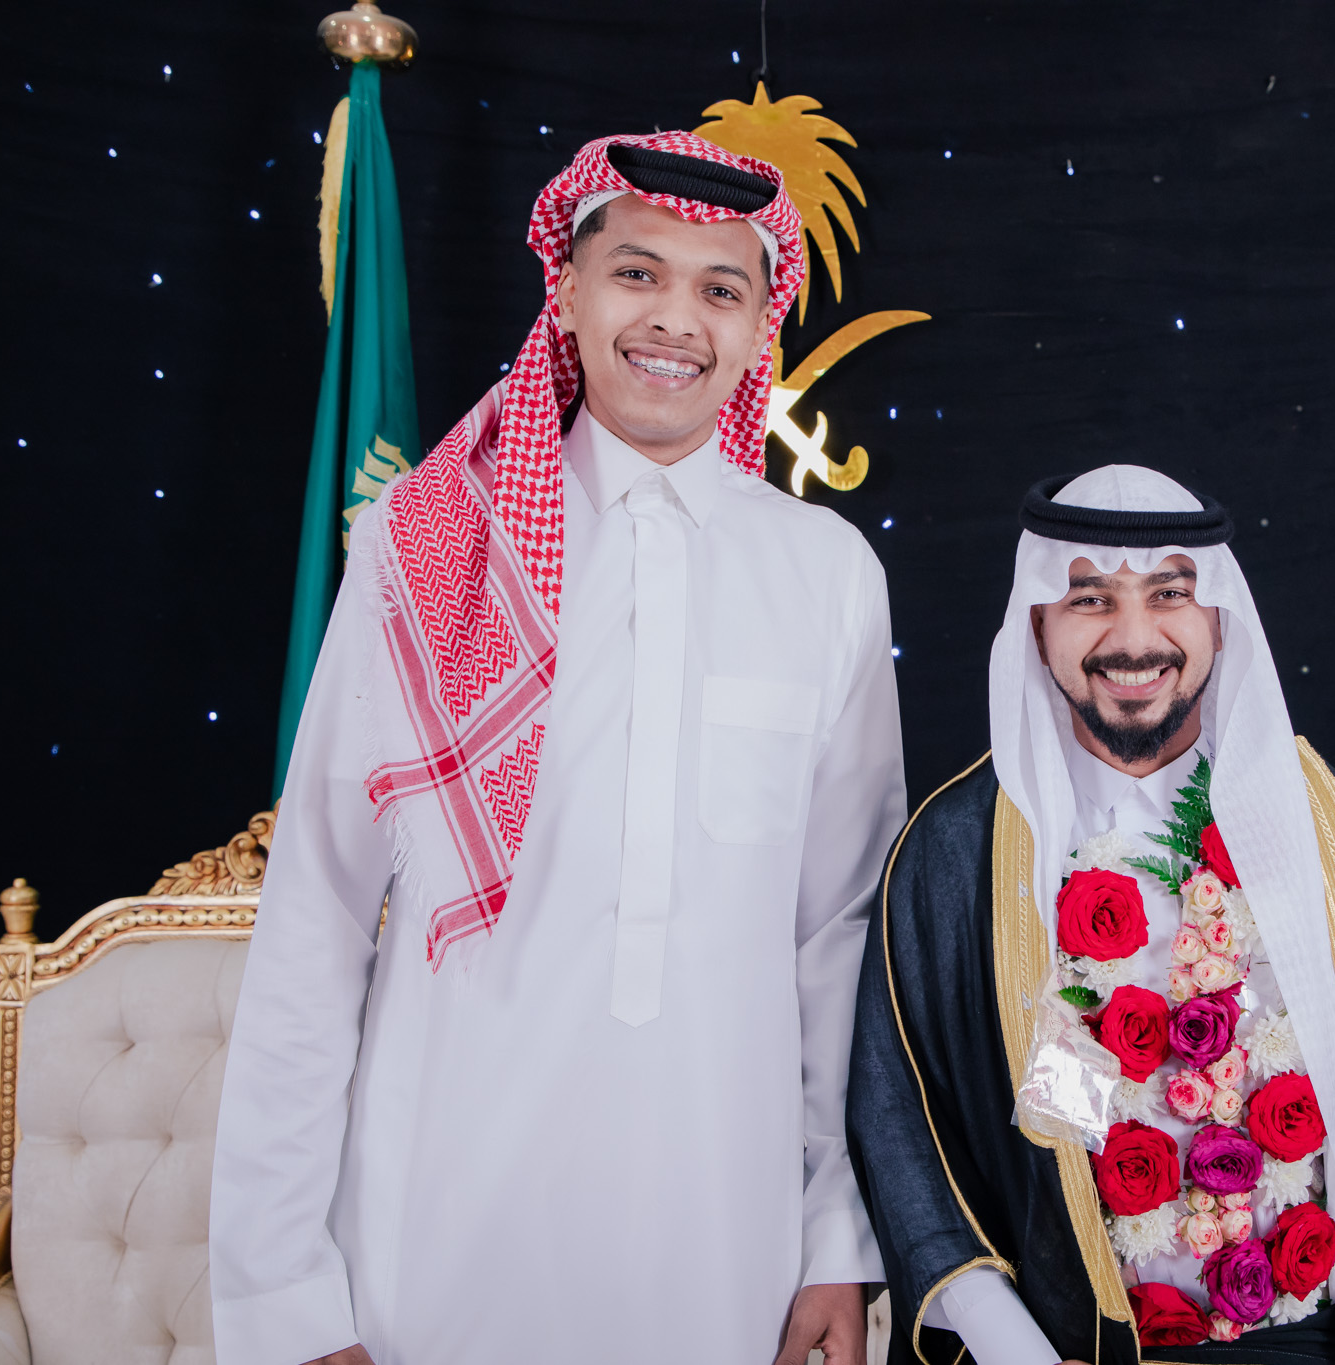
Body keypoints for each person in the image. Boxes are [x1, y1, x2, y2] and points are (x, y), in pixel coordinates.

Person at [210, 133, 904, 1365]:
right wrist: (283, 1297)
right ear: (568, 294)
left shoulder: (828, 575)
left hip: (721, 1246)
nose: (674, 319)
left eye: (720, 289)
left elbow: (838, 940)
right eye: (636, 273)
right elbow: (315, 917)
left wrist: (834, 1237)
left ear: (759, 329)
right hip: (435, 1235)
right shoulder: (427, 543)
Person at [846, 466, 1335, 1365]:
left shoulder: (1323, 829)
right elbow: (911, 1153)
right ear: (1039, 622)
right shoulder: (957, 857)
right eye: (1090, 598)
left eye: (1169, 593)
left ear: (1219, 618)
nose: (1134, 638)